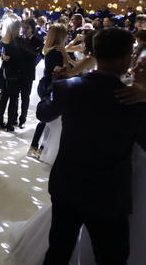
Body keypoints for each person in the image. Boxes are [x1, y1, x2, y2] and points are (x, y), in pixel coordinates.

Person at [37, 28, 146, 264]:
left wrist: (52, 81)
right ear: (124, 59)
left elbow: (43, 113)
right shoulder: (134, 100)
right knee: (112, 257)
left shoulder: (68, 87)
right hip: (109, 194)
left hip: (67, 184)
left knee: (58, 251)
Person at [28, 23, 69, 158]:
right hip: (51, 87)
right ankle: (38, 148)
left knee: (47, 119)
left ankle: (37, 147)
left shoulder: (50, 49)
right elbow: (62, 71)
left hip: (45, 85)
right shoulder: (57, 52)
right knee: (48, 119)